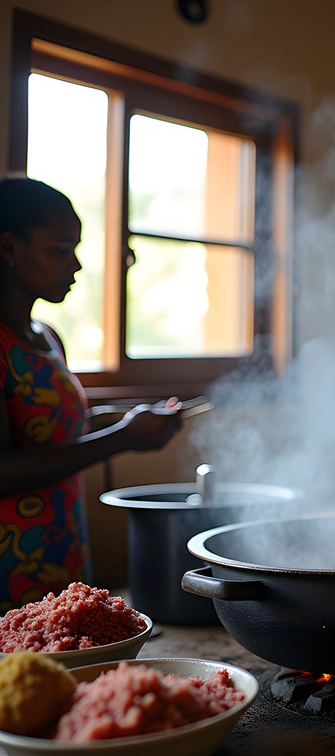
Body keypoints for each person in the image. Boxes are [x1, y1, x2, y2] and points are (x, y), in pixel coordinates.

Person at [0, 177, 185, 613]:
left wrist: (130, 418)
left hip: (61, 549)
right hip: (10, 565)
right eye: (60, 251)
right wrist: (124, 437)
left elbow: (59, 428)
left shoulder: (45, 337)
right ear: (8, 248)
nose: (77, 266)